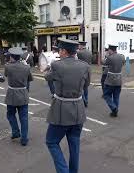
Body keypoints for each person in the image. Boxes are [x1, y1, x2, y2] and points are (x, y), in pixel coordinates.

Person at [44, 38, 90, 173]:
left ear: (64, 51)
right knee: (74, 143)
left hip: (61, 110)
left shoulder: (57, 65)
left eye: (59, 50)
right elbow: (86, 85)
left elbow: (48, 78)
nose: (59, 52)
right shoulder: (85, 66)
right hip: (78, 109)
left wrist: (47, 67)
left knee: (51, 141)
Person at [4, 47, 33, 146]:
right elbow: (30, 79)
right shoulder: (26, 67)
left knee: (10, 114)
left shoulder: (8, 66)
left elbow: (6, 75)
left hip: (12, 94)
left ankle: (16, 132)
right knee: (24, 118)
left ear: (12, 57)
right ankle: (24, 138)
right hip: (23, 93)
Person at [103, 44, 125, 117]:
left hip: (110, 79)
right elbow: (123, 63)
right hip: (119, 78)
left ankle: (113, 108)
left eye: (108, 50)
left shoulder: (109, 57)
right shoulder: (122, 56)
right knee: (116, 96)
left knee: (106, 95)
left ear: (110, 50)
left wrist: (106, 56)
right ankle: (115, 112)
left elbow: (104, 63)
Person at [77, 41, 92, 107]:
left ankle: (85, 100)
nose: (78, 47)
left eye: (79, 45)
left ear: (81, 45)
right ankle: (87, 100)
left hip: (81, 70)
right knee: (86, 87)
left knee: (80, 87)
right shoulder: (90, 52)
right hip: (88, 70)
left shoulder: (79, 52)